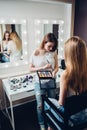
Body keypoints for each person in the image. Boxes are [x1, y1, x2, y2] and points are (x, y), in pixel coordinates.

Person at [48, 36, 87, 130]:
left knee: (49, 102)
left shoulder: (66, 75)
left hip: (70, 118)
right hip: (84, 114)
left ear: (69, 55)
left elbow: (61, 103)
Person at [29, 33, 58, 130]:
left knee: (52, 103)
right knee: (40, 105)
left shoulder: (54, 52)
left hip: (51, 81)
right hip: (39, 82)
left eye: (53, 46)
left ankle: (51, 124)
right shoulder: (36, 52)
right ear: (44, 42)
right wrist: (43, 67)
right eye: (49, 46)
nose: (51, 48)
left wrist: (54, 72)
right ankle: (42, 124)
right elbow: (30, 69)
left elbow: (57, 67)